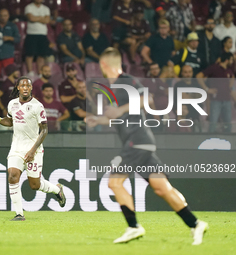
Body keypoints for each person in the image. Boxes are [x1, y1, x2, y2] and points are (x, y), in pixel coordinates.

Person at [86, 47, 208, 245]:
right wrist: (99, 120)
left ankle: (133, 227)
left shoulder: (125, 80)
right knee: (162, 188)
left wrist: (118, 111)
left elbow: (147, 99)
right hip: (142, 142)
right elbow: (122, 118)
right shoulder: (117, 88)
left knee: (114, 182)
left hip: (137, 141)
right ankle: (195, 223)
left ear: (105, 64)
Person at [0, 76, 66, 221]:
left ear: (30, 89)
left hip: (33, 149)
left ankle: (57, 189)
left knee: (35, 185)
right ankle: (19, 214)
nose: (25, 88)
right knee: (12, 176)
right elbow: (11, 121)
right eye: (22, 86)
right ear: (17, 88)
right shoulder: (12, 104)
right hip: (16, 147)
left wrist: (32, 151)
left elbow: (44, 130)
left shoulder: (37, 106)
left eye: (28, 86)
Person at [196, 52, 234, 133]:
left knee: (228, 125)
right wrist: (207, 89)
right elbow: (199, 76)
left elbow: (232, 77)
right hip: (216, 100)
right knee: (213, 124)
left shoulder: (229, 70)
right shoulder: (214, 68)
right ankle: (210, 141)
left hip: (227, 100)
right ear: (227, 60)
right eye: (231, 60)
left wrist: (229, 87)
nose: (232, 61)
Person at [24, 0, 52, 75]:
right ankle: (30, 72)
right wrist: (41, 18)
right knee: (30, 54)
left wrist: (36, 18)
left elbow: (47, 20)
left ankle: (40, 73)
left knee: (41, 55)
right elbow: (31, 18)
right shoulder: (29, 7)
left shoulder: (46, 9)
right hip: (31, 34)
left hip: (42, 34)